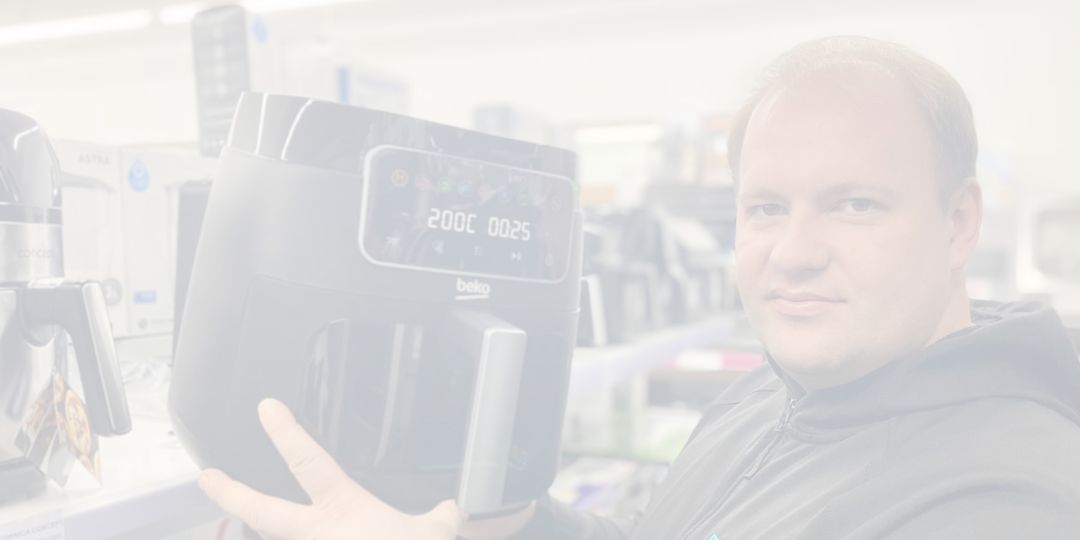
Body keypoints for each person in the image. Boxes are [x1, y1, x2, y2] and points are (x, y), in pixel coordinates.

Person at [198, 36, 1080, 539]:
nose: (794, 252)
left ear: (958, 222)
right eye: (765, 208)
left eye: (854, 205)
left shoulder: (1007, 502)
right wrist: (517, 527)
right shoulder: (775, 394)